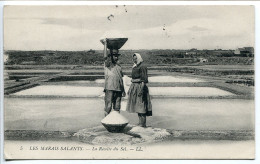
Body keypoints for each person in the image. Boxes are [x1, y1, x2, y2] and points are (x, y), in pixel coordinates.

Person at [126, 53, 152, 127]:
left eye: (136, 58)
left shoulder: (142, 66)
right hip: (135, 87)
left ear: (139, 58)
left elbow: (143, 79)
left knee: (141, 105)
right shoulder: (135, 67)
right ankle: (140, 122)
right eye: (133, 58)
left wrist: (141, 89)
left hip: (140, 86)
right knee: (137, 106)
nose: (134, 60)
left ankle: (143, 124)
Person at [102, 39, 126, 117]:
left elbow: (121, 79)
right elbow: (105, 57)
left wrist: (123, 90)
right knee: (108, 107)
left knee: (117, 107)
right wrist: (105, 44)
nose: (116, 57)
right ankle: (106, 122)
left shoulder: (119, 67)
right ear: (111, 56)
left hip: (118, 89)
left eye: (117, 56)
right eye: (114, 55)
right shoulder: (108, 65)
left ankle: (117, 123)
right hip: (110, 88)